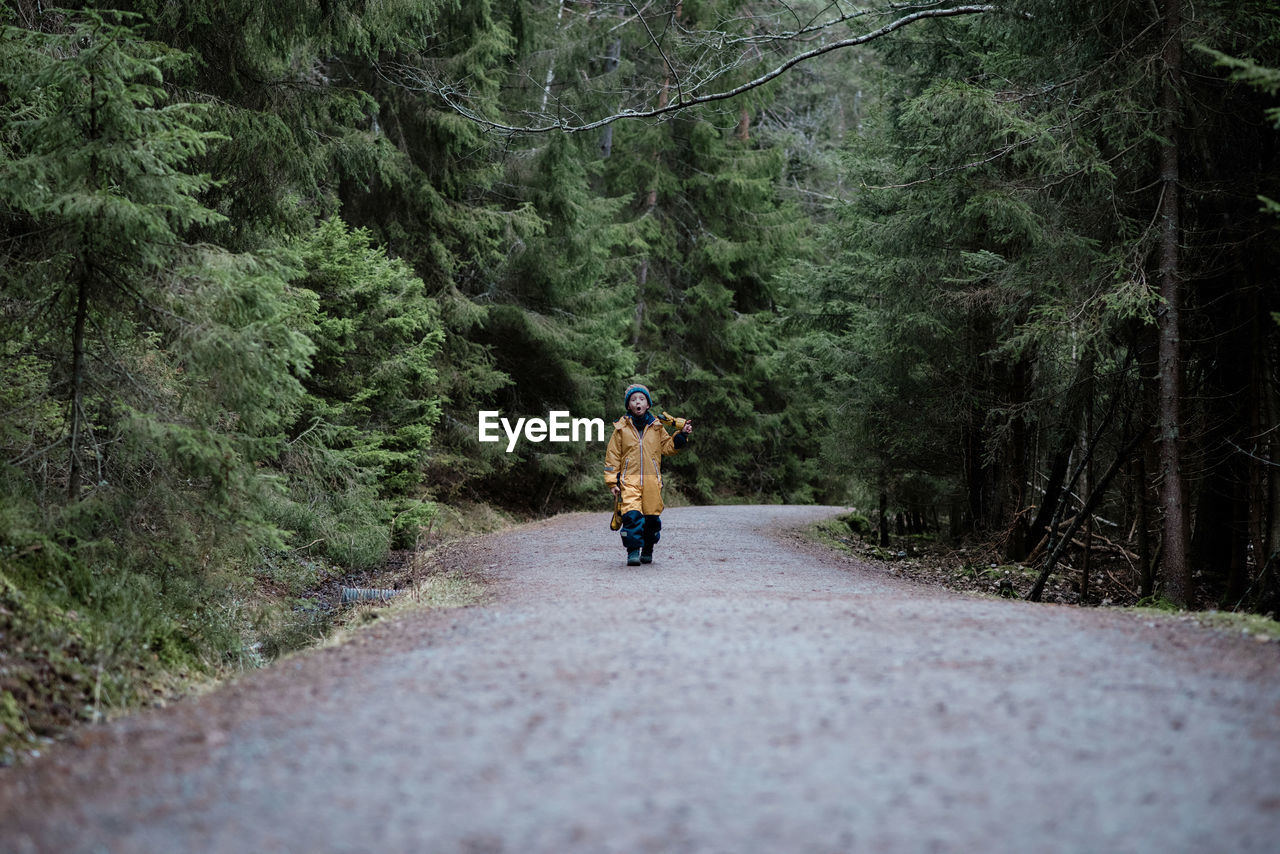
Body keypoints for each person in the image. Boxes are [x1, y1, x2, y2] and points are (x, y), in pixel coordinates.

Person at [603, 383, 693, 566]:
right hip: (629, 481)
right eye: (634, 399)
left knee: (652, 519)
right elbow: (612, 456)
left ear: (648, 404)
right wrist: (612, 482)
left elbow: (668, 447)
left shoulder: (657, 426)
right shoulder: (621, 429)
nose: (638, 402)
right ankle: (633, 552)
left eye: (641, 399)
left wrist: (681, 435)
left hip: (652, 481)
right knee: (631, 516)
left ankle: (648, 548)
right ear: (629, 405)